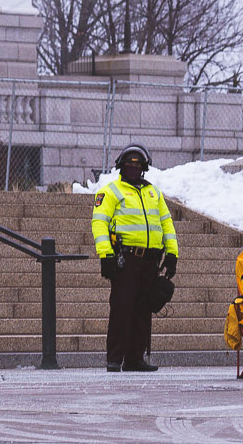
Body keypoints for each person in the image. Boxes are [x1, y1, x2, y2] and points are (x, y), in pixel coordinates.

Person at [91, 144, 179, 373]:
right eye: (129, 165)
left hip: (150, 260)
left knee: (143, 310)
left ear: (144, 169)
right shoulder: (110, 191)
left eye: (138, 165)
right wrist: (105, 255)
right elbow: (99, 222)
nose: (133, 168)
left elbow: (166, 223)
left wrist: (172, 254)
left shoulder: (153, 193)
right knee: (122, 308)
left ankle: (135, 359)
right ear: (121, 167)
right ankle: (114, 359)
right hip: (125, 258)